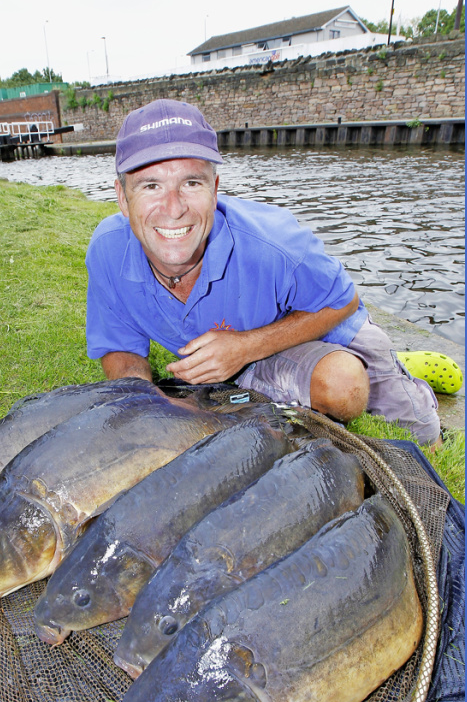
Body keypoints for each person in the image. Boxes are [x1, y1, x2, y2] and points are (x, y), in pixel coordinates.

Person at [85, 98, 442, 447]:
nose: (174, 208)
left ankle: (394, 368)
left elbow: (344, 301)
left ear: (214, 189)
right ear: (122, 197)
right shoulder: (107, 250)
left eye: (191, 183)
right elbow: (120, 347)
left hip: (323, 329)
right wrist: (149, 406)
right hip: (239, 367)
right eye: (151, 186)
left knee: (352, 393)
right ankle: (271, 387)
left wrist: (245, 347)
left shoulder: (276, 243)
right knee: (243, 410)